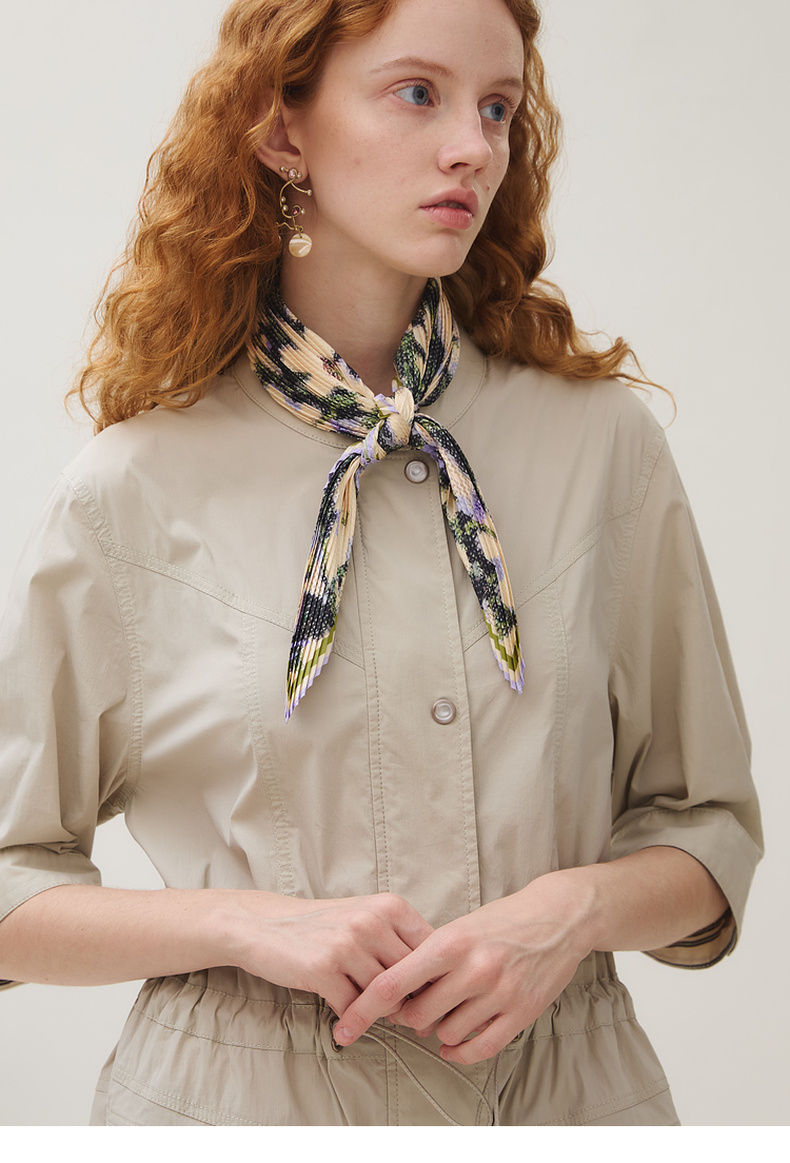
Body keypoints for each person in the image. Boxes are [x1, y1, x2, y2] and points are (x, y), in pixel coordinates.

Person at [0, 0, 762, 1127]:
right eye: (418, 94)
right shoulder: (132, 488)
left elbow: (709, 830)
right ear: (281, 129)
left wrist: (569, 913)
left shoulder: (602, 446)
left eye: (496, 108)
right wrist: (244, 923)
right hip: (242, 1113)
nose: (473, 147)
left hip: (569, 1105)